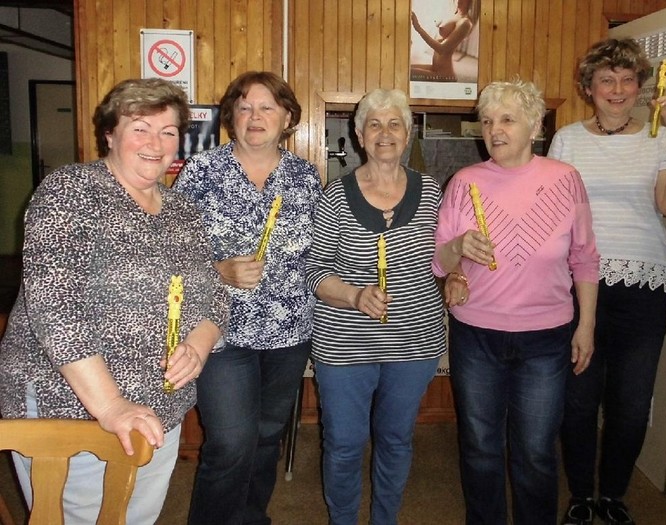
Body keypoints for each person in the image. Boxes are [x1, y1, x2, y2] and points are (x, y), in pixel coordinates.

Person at [0, 78, 229, 524]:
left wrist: (200, 344)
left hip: (161, 406)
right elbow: (56, 309)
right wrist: (111, 406)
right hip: (70, 405)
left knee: (136, 516)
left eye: (167, 131)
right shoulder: (71, 191)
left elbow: (214, 293)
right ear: (110, 134)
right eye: (140, 128)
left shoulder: (182, 210)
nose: (155, 143)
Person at [432, 79, 600, 525]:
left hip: (546, 337)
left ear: (535, 126)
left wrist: (586, 326)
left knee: (536, 451)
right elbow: (438, 260)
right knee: (480, 447)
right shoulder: (464, 183)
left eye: (507, 119)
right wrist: (458, 252)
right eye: (487, 121)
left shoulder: (565, 180)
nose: (495, 130)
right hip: (477, 335)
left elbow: (585, 258)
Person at [548, 38, 666, 525]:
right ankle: (581, 494)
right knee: (577, 401)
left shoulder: (660, 138)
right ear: (588, 87)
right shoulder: (567, 139)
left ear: (641, 87)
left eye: (628, 79)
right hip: (578, 284)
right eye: (606, 80)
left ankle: (612, 495)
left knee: (631, 404)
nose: (617, 89)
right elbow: (553, 213)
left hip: (644, 286)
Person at [173, 71, 323, 525]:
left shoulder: (305, 177)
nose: (254, 117)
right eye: (244, 107)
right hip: (220, 331)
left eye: (266, 107)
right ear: (231, 117)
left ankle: (252, 518)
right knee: (229, 442)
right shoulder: (202, 171)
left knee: (266, 436)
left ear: (288, 118)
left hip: (290, 332)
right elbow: (172, 250)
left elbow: (321, 253)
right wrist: (218, 270)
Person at [305, 88, 454, 525]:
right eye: (374, 124)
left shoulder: (431, 192)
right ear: (359, 135)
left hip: (414, 343)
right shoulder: (335, 195)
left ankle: (385, 519)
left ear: (407, 134)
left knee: (395, 439)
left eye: (394, 124)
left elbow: (445, 257)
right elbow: (314, 270)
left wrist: (459, 272)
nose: (384, 133)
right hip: (345, 343)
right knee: (344, 444)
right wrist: (354, 295)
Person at [410, 0, 479, 82]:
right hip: (434, 67)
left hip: (443, 74)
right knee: (404, 68)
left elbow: (441, 49)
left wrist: (418, 28)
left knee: (404, 72)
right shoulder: (454, 15)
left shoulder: (466, 23)